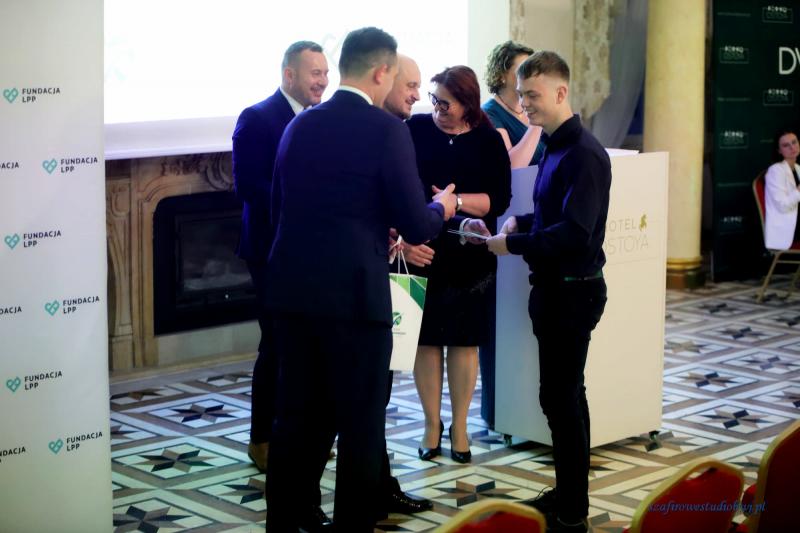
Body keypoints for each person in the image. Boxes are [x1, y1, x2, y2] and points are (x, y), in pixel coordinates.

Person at [263, 27, 458, 532]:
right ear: (381, 72)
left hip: (293, 295)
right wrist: (444, 206)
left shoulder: (300, 125)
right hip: (354, 301)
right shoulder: (386, 130)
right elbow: (416, 223)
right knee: (360, 426)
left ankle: (282, 525)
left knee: (294, 420)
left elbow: (280, 209)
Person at [485, 51, 610, 533]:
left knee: (561, 399)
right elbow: (554, 216)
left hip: (572, 293)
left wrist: (511, 244)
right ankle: (569, 494)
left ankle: (573, 510)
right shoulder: (557, 146)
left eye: (532, 95)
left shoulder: (583, 154)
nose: (525, 104)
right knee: (564, 397)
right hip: (557, 290)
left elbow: (575, 234)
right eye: (520, 95)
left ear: (561, 92)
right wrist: (522, 222)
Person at [231, 40, 330, 531]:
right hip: (269, 251)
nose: (322, 81)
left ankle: (297, 438)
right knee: (274, 344)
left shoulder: (321, 120)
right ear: (289, 74)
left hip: (311, 253)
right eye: (314, 73)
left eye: (326, 73)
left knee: (301, 348)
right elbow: (249, 185)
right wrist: (303, 204)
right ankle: (261, 439)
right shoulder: (257, 118)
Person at [407, 66, 511, 465]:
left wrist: (455, 201)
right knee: (426, 340)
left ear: (467, 103)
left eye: (445, 103)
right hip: (422, 248)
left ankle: (460, 426)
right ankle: (431, 425)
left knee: (465, 342)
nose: (437, 108)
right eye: (433, 99)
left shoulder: (488, 139)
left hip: (470, 253)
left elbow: (498, 199)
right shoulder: (415, 130)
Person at [372, 52, 434, 518]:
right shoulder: (383, 132)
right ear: (385, 77)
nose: (416, 94)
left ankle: (380, 486)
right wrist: (409, 236)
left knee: (379, 397)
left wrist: (399, 239)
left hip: (390, 279)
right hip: (366, 287)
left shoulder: (399, 129)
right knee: (363, 400)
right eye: (410, 85)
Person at [478, 40, 544, 431]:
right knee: (500, 322)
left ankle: (528, 409)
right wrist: (536, 125)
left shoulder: (530, 112)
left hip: (535, 223)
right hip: (504, 224)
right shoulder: (490, 115)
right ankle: (499, 409)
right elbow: (511, 165)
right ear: (503, 74)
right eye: (521, 69)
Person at [483, 40, 544, 168]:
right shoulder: (488, 113)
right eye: (523, 70)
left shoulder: (529, 106)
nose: (531, 77)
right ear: (501, 76)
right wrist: (538, 120)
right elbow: (511, 166)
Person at [764, 129, 800, 250]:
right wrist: (798, 190)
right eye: (786, 145)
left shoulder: (798, 168)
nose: (792, 147)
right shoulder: (775, 171)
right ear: (779, 151)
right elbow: (783, 206)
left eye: (794, 142)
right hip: (789, 229)